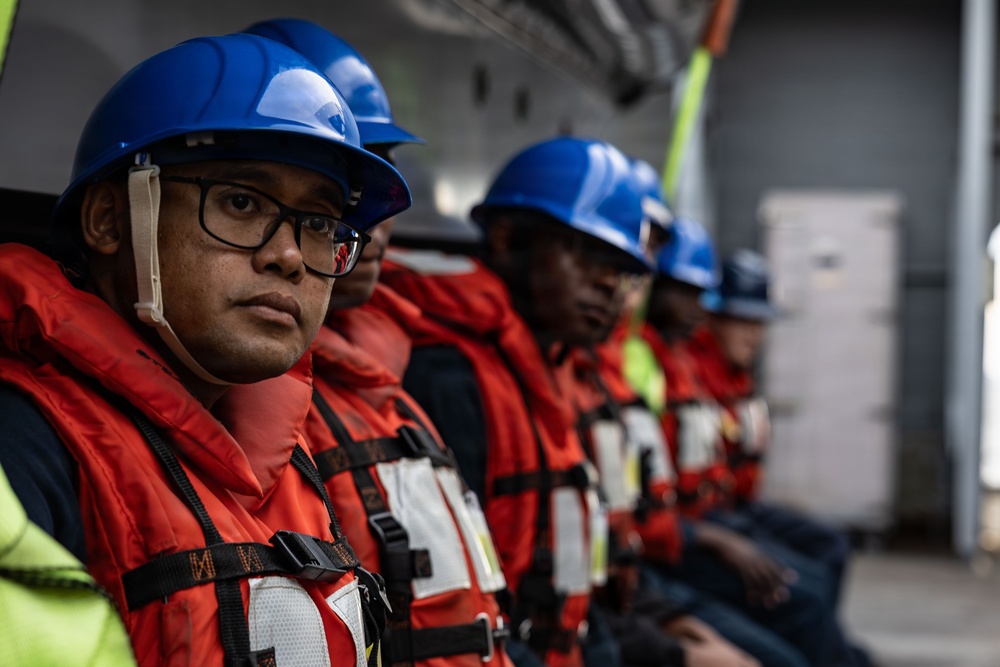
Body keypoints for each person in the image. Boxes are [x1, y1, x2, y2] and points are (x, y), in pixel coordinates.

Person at [0, 33, 410, 666]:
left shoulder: (287, 456)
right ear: (109, 220)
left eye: (321, 224)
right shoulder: (23, 451)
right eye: (241, 202)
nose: (290, 255)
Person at [384, 136, 757, 667]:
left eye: (623, 270)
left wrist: (670, 631)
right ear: (509, 240)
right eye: (589, 257)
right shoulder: (447, 377)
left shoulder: (550, 371)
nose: (611, 285)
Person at [243, 19, 512, 667]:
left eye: (375, 187)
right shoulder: (238, 397)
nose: (369, 224)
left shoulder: (397, 377)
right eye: (337, 194)